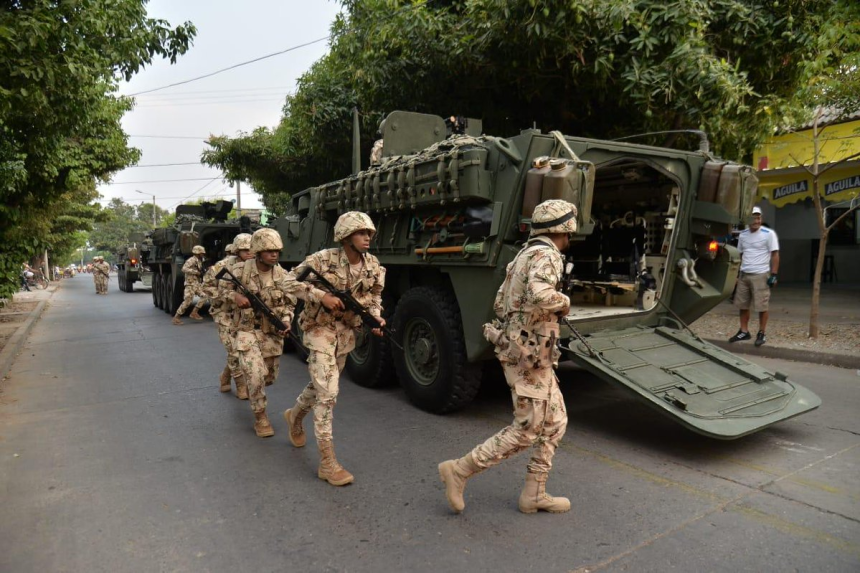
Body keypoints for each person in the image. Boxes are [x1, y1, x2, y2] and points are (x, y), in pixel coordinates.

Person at [438, 199, 576, 514]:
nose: (570, 238)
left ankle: (534, 494)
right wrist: (563, 301)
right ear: (563, 228)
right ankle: (459, 470)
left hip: (529, 352)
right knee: (527, 428)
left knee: (555, 422)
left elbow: (502, 304)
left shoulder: (523, 256)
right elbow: (540, 294)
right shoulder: (547, 255)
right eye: (569, 230)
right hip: (528, 355)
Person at [282, 211, 386, 487]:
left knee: (319, 386)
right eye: (362, 233)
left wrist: (375, 317)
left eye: (369, 233)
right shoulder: (323, 259)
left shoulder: (373, 265)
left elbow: (375, 296)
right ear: (346, 236)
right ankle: (328, 462)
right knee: (328, 393)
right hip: (319, 330)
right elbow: (288, 281)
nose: (367, 238)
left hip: (345, 334)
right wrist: (321, 296)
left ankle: (295, 415)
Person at [221, 228, 296, 437]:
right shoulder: (239, 271)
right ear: (258, 251)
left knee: (268, 378)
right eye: (269, 250)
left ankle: (227, 373)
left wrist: (287, 320)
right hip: (246, 331)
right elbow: (219, 292)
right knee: (255, 376)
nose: (274, 254)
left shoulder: (283, 275)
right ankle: (261, 417)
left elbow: (290, 303)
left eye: (277, 251)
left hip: (271, 333)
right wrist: (234, 296)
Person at [203, 237, 252, 399]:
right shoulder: (221, 267)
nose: (250, 253)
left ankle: (225, 376)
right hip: (223, 313)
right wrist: (231, 295)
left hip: (244, 315)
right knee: (233, 349)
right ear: (237, 250)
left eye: (252, 250)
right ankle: (240, 384)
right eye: (246, 250)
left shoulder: (254, 267)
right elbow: (207, 288)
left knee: (240, 350)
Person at [729, 206, 780, 347]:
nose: (756, 220)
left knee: (762, 306)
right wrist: (736, 274)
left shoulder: (768, 234)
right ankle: (744, 331)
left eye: (759, 217)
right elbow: (740, 255)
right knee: (743, 304)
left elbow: (775, 254)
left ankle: (762, 333)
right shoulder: (743, 235)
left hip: (761, 275)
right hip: (744, 274)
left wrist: (774, 275)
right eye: (754, 217)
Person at [172, 245, 208, 324]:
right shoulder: (191, 260)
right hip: (190, 284)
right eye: (202, 253)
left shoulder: (199, 261)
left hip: (196, 284)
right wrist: (195, 272)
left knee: (205, 296)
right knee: (187, 301)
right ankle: (176, 317)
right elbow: (184, 268)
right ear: (198, 253)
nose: (203, 254)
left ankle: (194, 312)